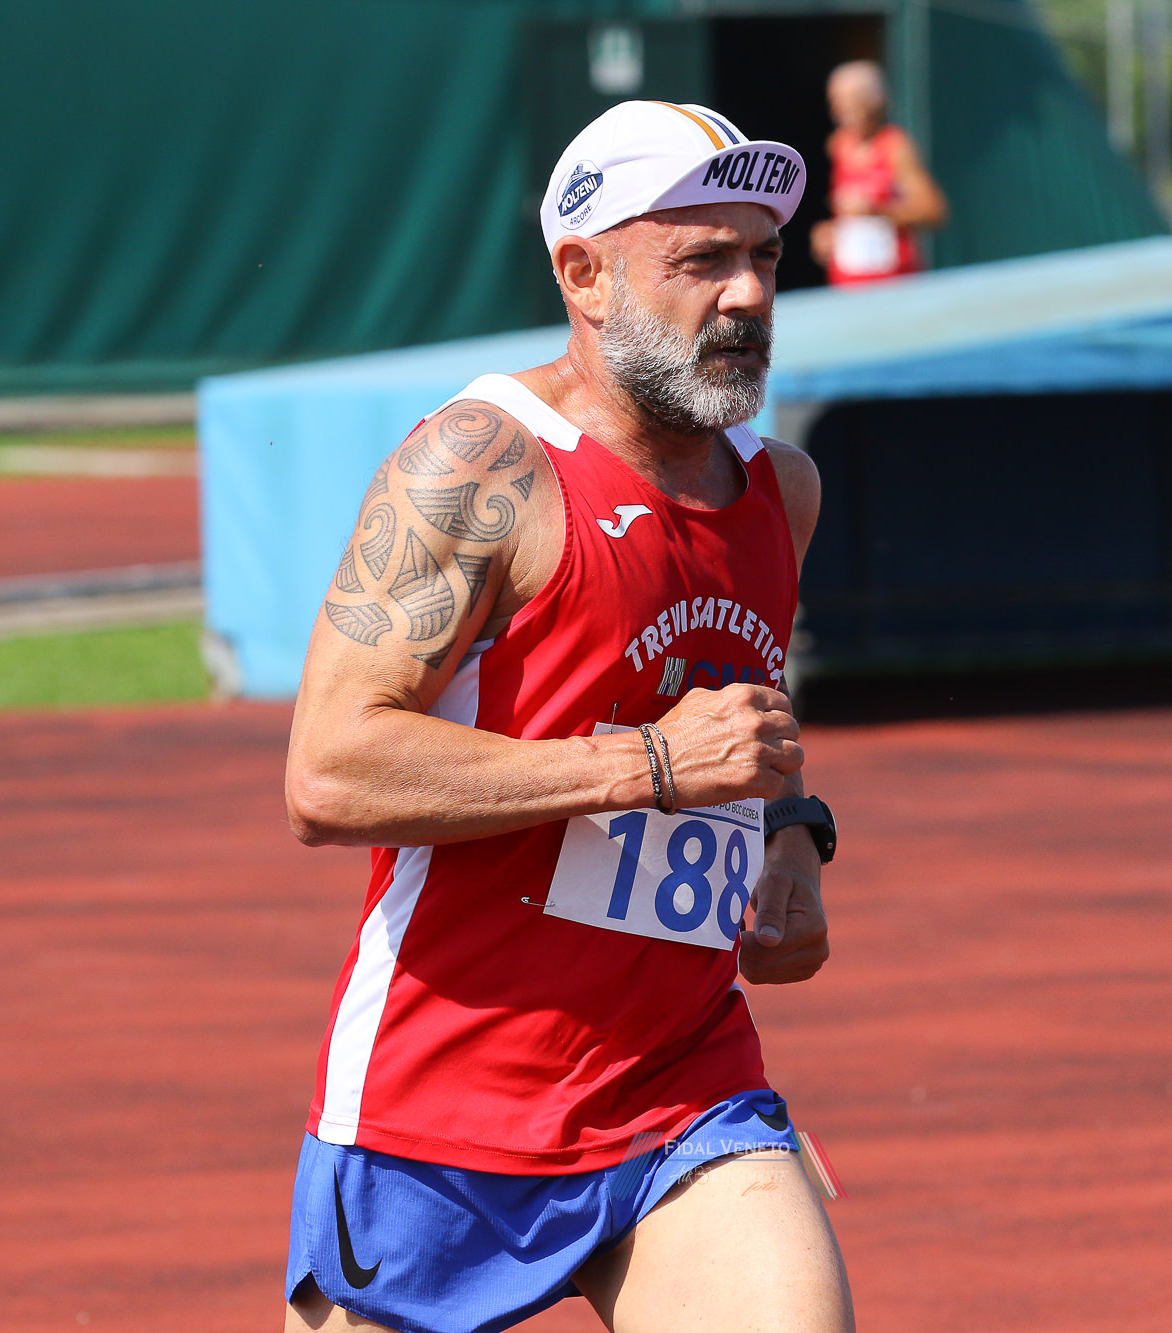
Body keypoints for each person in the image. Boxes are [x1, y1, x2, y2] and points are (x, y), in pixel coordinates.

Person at [280, 100, 852, 1333]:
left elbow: (732, 692)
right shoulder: (480, 466)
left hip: (681, 1085)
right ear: (584, 275)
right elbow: (328, 771)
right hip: (444, 1106)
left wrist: (789, 829)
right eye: (703, 260)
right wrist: (647, 767)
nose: (748, 295)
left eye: (763, 256)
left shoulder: (779, 489)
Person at [810, 60, 949, 285]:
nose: (842, 110)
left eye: (853, 99)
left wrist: (876, 210)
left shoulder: (895, 145)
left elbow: (933, 210)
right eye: (836, 101)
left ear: (874, 101)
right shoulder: (837, 146)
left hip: (894, 282)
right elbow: (847, 216)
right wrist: (830, 234)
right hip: (848, 284)